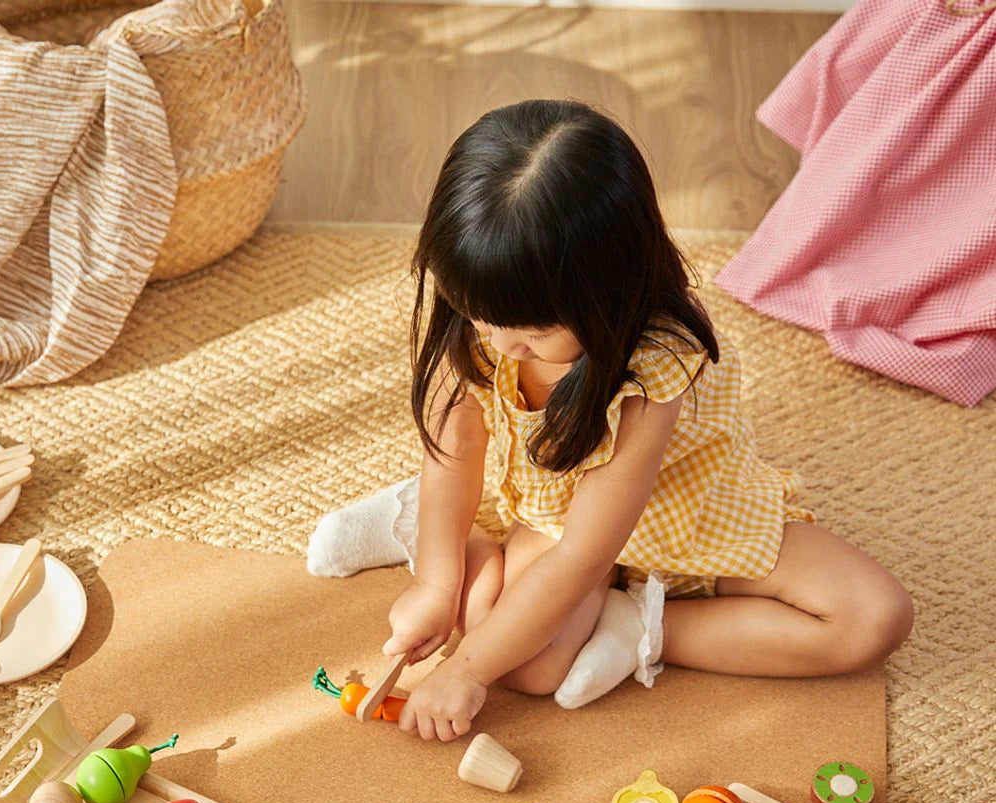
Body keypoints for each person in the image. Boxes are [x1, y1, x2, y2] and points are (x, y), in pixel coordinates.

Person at [307, 99, 914, 741]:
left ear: (611, 294)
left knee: (875, 619)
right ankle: (429, 527)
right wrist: (437, 582)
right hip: (561, 514)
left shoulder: (654, 365)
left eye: (537, 335)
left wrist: (465, 669)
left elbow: (582, 555)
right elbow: (454, 449)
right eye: (483, 320)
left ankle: (640, 628)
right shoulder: (489, 304)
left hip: (687, 514)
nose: (503, 345)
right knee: (529, 667)